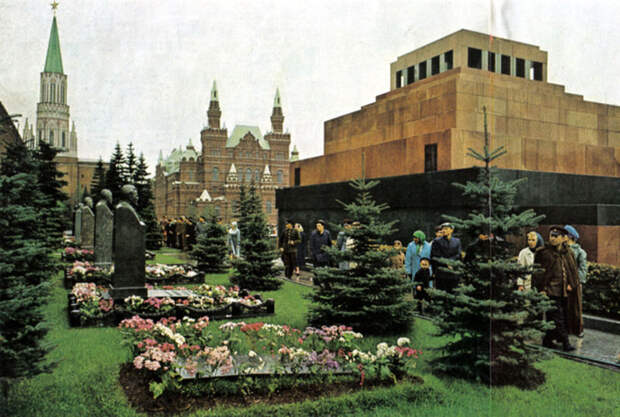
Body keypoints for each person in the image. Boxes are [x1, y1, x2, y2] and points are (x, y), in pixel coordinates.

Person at [533, 226, 580, 351]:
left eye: (556, 236)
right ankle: (566, 342)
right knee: (558, 318)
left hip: (564, 291)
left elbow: (572, 270)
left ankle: (547, 340)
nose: (552, 238)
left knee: (556, 317)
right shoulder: (544, 252)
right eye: (551, 236)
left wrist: (571, 283)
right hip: (551, 290)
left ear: (564, 238)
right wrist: (541, 289)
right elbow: (538, 273)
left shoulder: (568, 252)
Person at [565, 225, 586, 338]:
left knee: (576, 307)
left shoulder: (580, 252)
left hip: (575, 284)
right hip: (563, 283)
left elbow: (582, 270)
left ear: (569, 236)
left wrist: (575, 283)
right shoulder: (561, 250)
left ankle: (578, 329)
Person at [430, 222, 462, 293]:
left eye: (446, 229)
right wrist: (446, 263)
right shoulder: (437, 241)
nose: (444, 230)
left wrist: (451, 262)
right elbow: (435, 256)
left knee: (453, 293)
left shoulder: (457, 241)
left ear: (451, 230)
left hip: (453, 273)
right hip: (441, 273)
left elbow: (458, 254)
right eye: (443, 229)